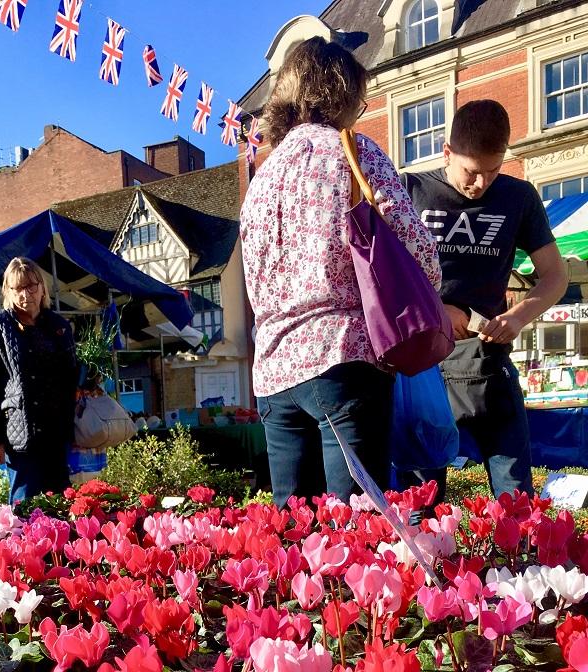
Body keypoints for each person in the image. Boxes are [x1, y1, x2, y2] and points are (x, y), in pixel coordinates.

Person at [240, 36, 441, 508]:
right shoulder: (353, 152)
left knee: (294, 537)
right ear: (343, 95)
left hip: (274, 373)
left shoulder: (261, 180)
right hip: (343, 356)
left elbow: (253, 281)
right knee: (356, 532)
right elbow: (418, 250)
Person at [401, 99, 567, 500]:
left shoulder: (520, 197)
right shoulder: (410, 189)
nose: (482, 183)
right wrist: (435, 311)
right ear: (447, 152)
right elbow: (380, 279)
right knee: (421, 504)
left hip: (489, 364)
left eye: (494, 170)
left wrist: (519, 315)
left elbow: (556, 276)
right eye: (472, 172)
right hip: (424, 370)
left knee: (517, 501)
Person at [0, 256, 78, 502]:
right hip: (21, 434)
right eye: (18, 288)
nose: (26, 294)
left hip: (56, 432)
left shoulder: (58, 325)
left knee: (61, 502)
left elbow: (70, 375)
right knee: (25, 505)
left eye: (31, 286)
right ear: (8, 291)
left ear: (42, 287)